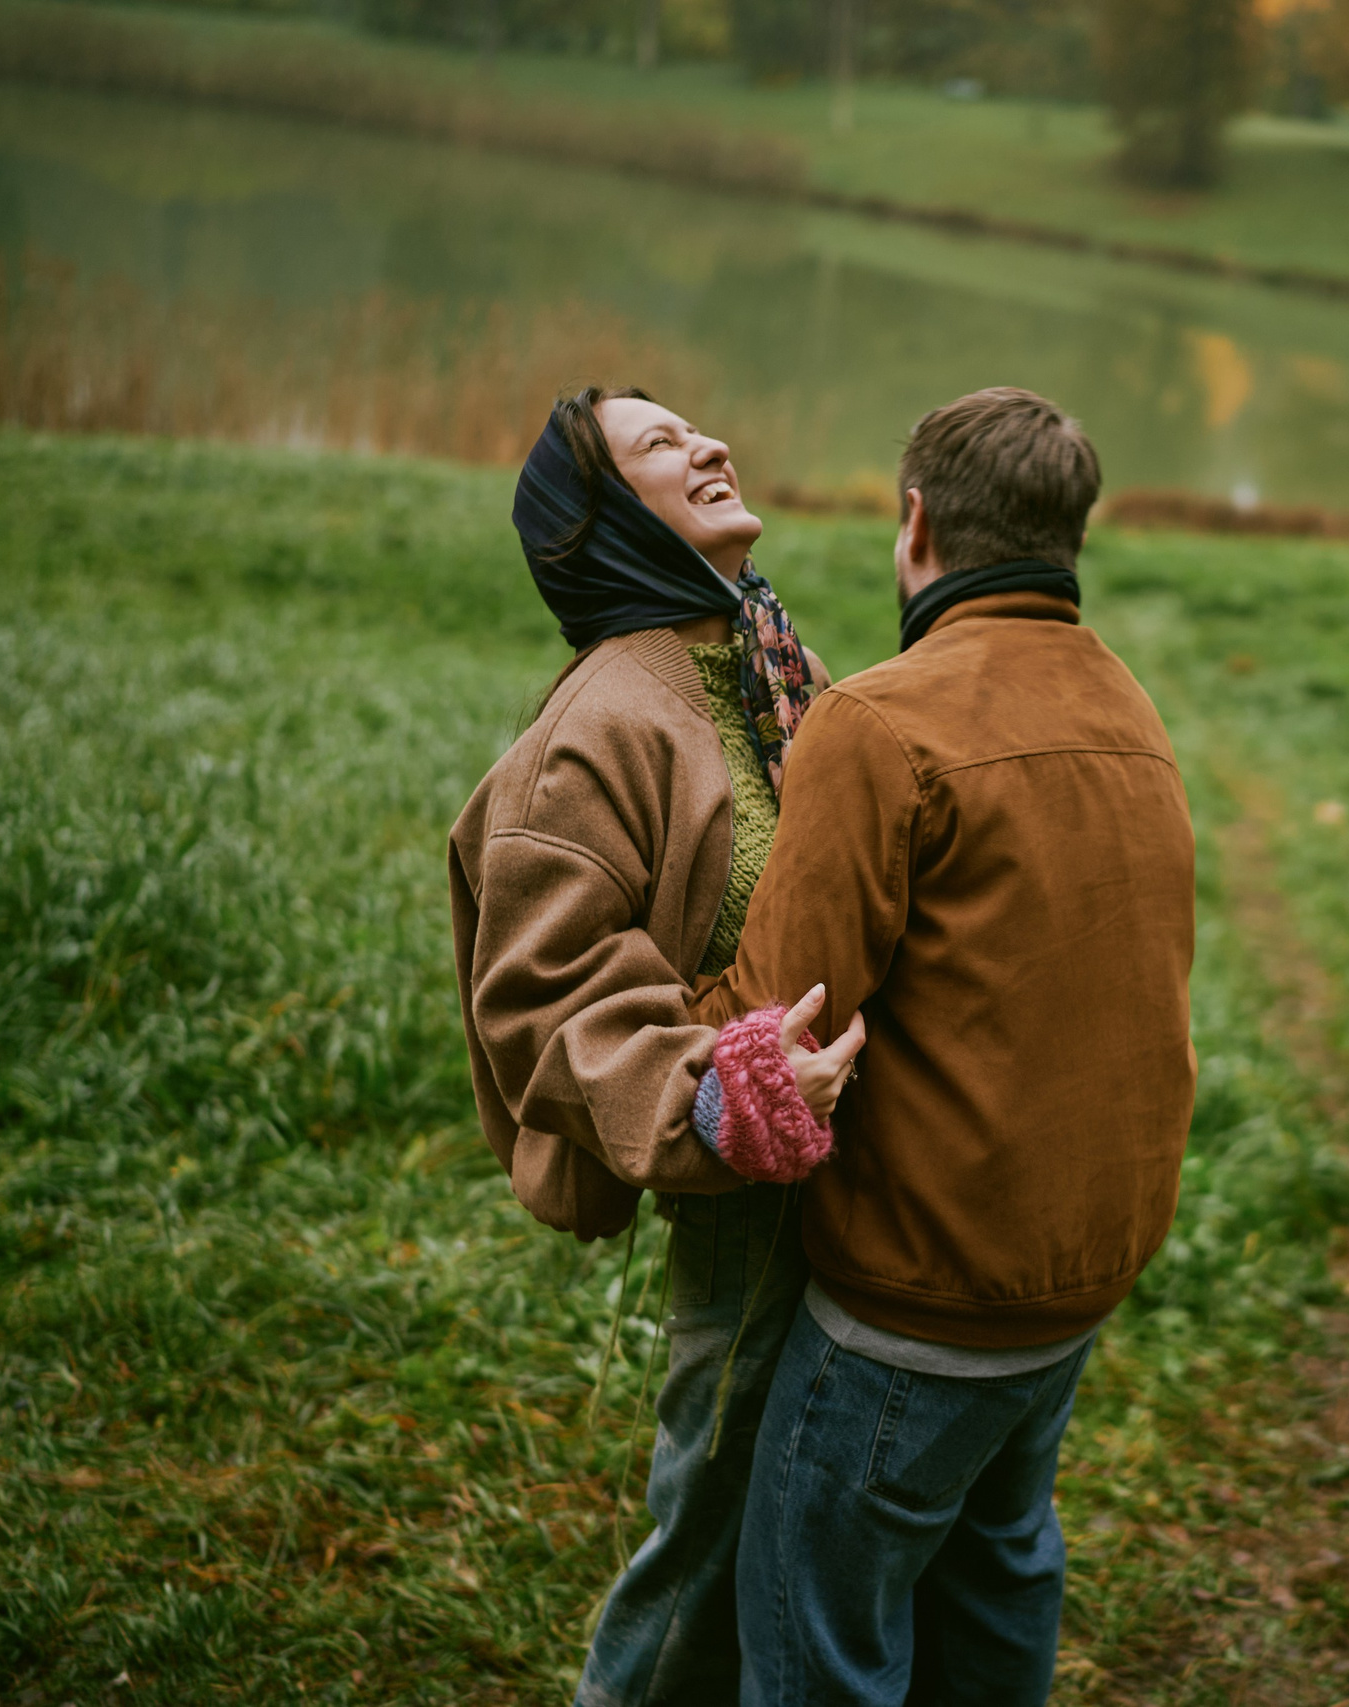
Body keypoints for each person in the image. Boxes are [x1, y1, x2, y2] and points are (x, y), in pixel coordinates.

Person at [694, 387, 1199, 1706]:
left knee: (821, 1647)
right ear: (1068, 536)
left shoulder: (879, 722)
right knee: (996, 1575)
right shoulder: (1136, 715)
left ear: (915, 521)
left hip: (915, 1307)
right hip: (1074, 1287)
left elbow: (774, 1018)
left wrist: (638, 1007)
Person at [447, 385, 864, 1707]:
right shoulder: (604, 721)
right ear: (600, 521)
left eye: (701, 427)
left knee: (822, 1527)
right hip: (748, 1195)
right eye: (661, 445)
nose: (711, 444)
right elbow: (542, 997)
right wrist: (720, 1099)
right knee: (713, 1530)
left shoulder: (761, 656)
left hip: (860, 1172)